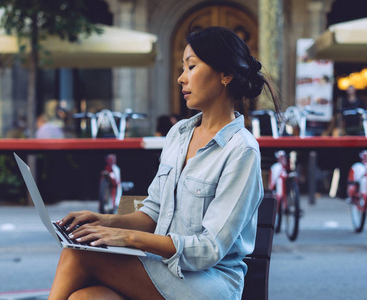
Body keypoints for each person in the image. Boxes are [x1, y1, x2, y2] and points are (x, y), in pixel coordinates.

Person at [48, 26, 280, 300]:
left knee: (78, 257)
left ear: (225, 75)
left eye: (191, 67)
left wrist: (127, 239)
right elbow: (153, 214)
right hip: (165, 271)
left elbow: (209, 249)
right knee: (84, 298)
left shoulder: (241, 150)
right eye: (183, 68)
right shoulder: (178, 134)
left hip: (210, 283)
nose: (181, 78)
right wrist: (105, 222)